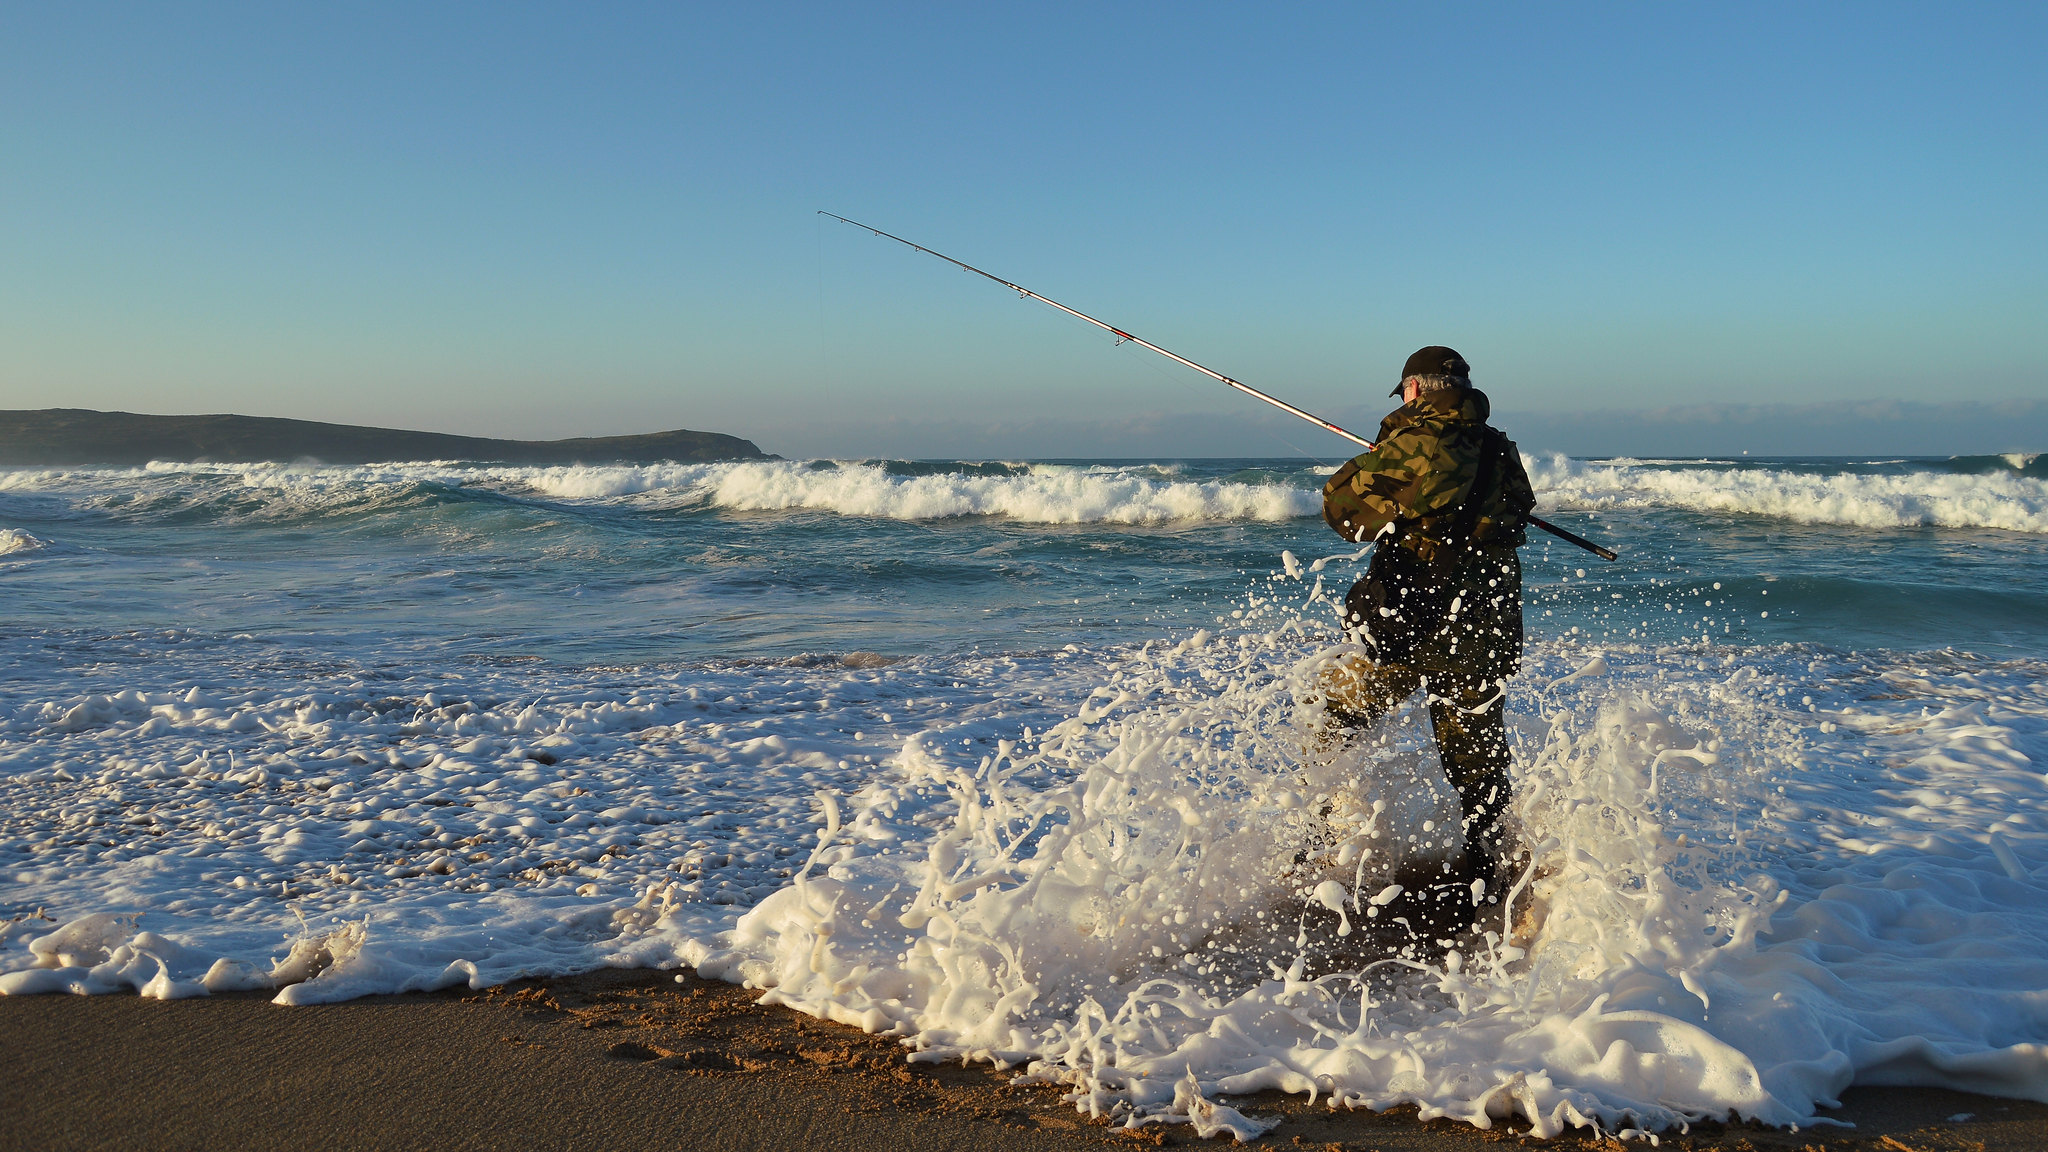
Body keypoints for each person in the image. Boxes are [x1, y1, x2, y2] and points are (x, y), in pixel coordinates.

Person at [1315, 345, 1536, 909]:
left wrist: (1382, 456)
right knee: (1477, 757)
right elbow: (1515, 511)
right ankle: (1488, 873)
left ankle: (1319, 845)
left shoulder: (1414, 442)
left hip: (1409, 622)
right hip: (1482, 624)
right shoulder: (1498, 449)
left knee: (1333, 721)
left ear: (1414, 388)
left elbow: (1341, 511)